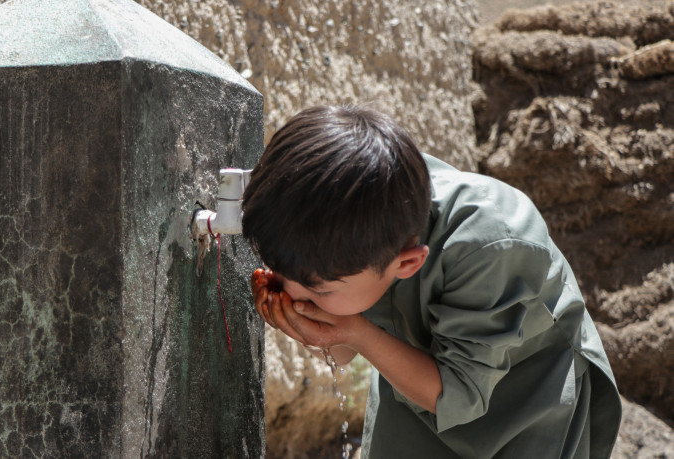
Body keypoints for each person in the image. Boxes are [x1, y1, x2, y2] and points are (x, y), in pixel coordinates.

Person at [241, 105, 621, 458]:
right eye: (281, 272)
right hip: (411, 380)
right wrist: (315, 329)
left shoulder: (489, 248)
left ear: (406, 264)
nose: (291, 292)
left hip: (526, 397)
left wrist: (356, 333)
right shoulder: (346, 218)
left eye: (318, 291)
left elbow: (459, 394)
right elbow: (344, 348)